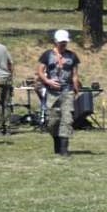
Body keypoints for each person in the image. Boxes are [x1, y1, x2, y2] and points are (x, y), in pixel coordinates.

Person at [36, 28, 81, 157]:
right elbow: (40, 71)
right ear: (56, 41)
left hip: (67, 92)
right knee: (53, 121)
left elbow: (75, 75)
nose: (63, 44)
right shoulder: (47, 55)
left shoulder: (72, 56)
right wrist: (48, 81)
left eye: (65, 42)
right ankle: (56, 142)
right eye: (61, 42)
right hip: (52, 93)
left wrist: (76, 89)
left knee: (67, 119)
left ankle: (64, 149)